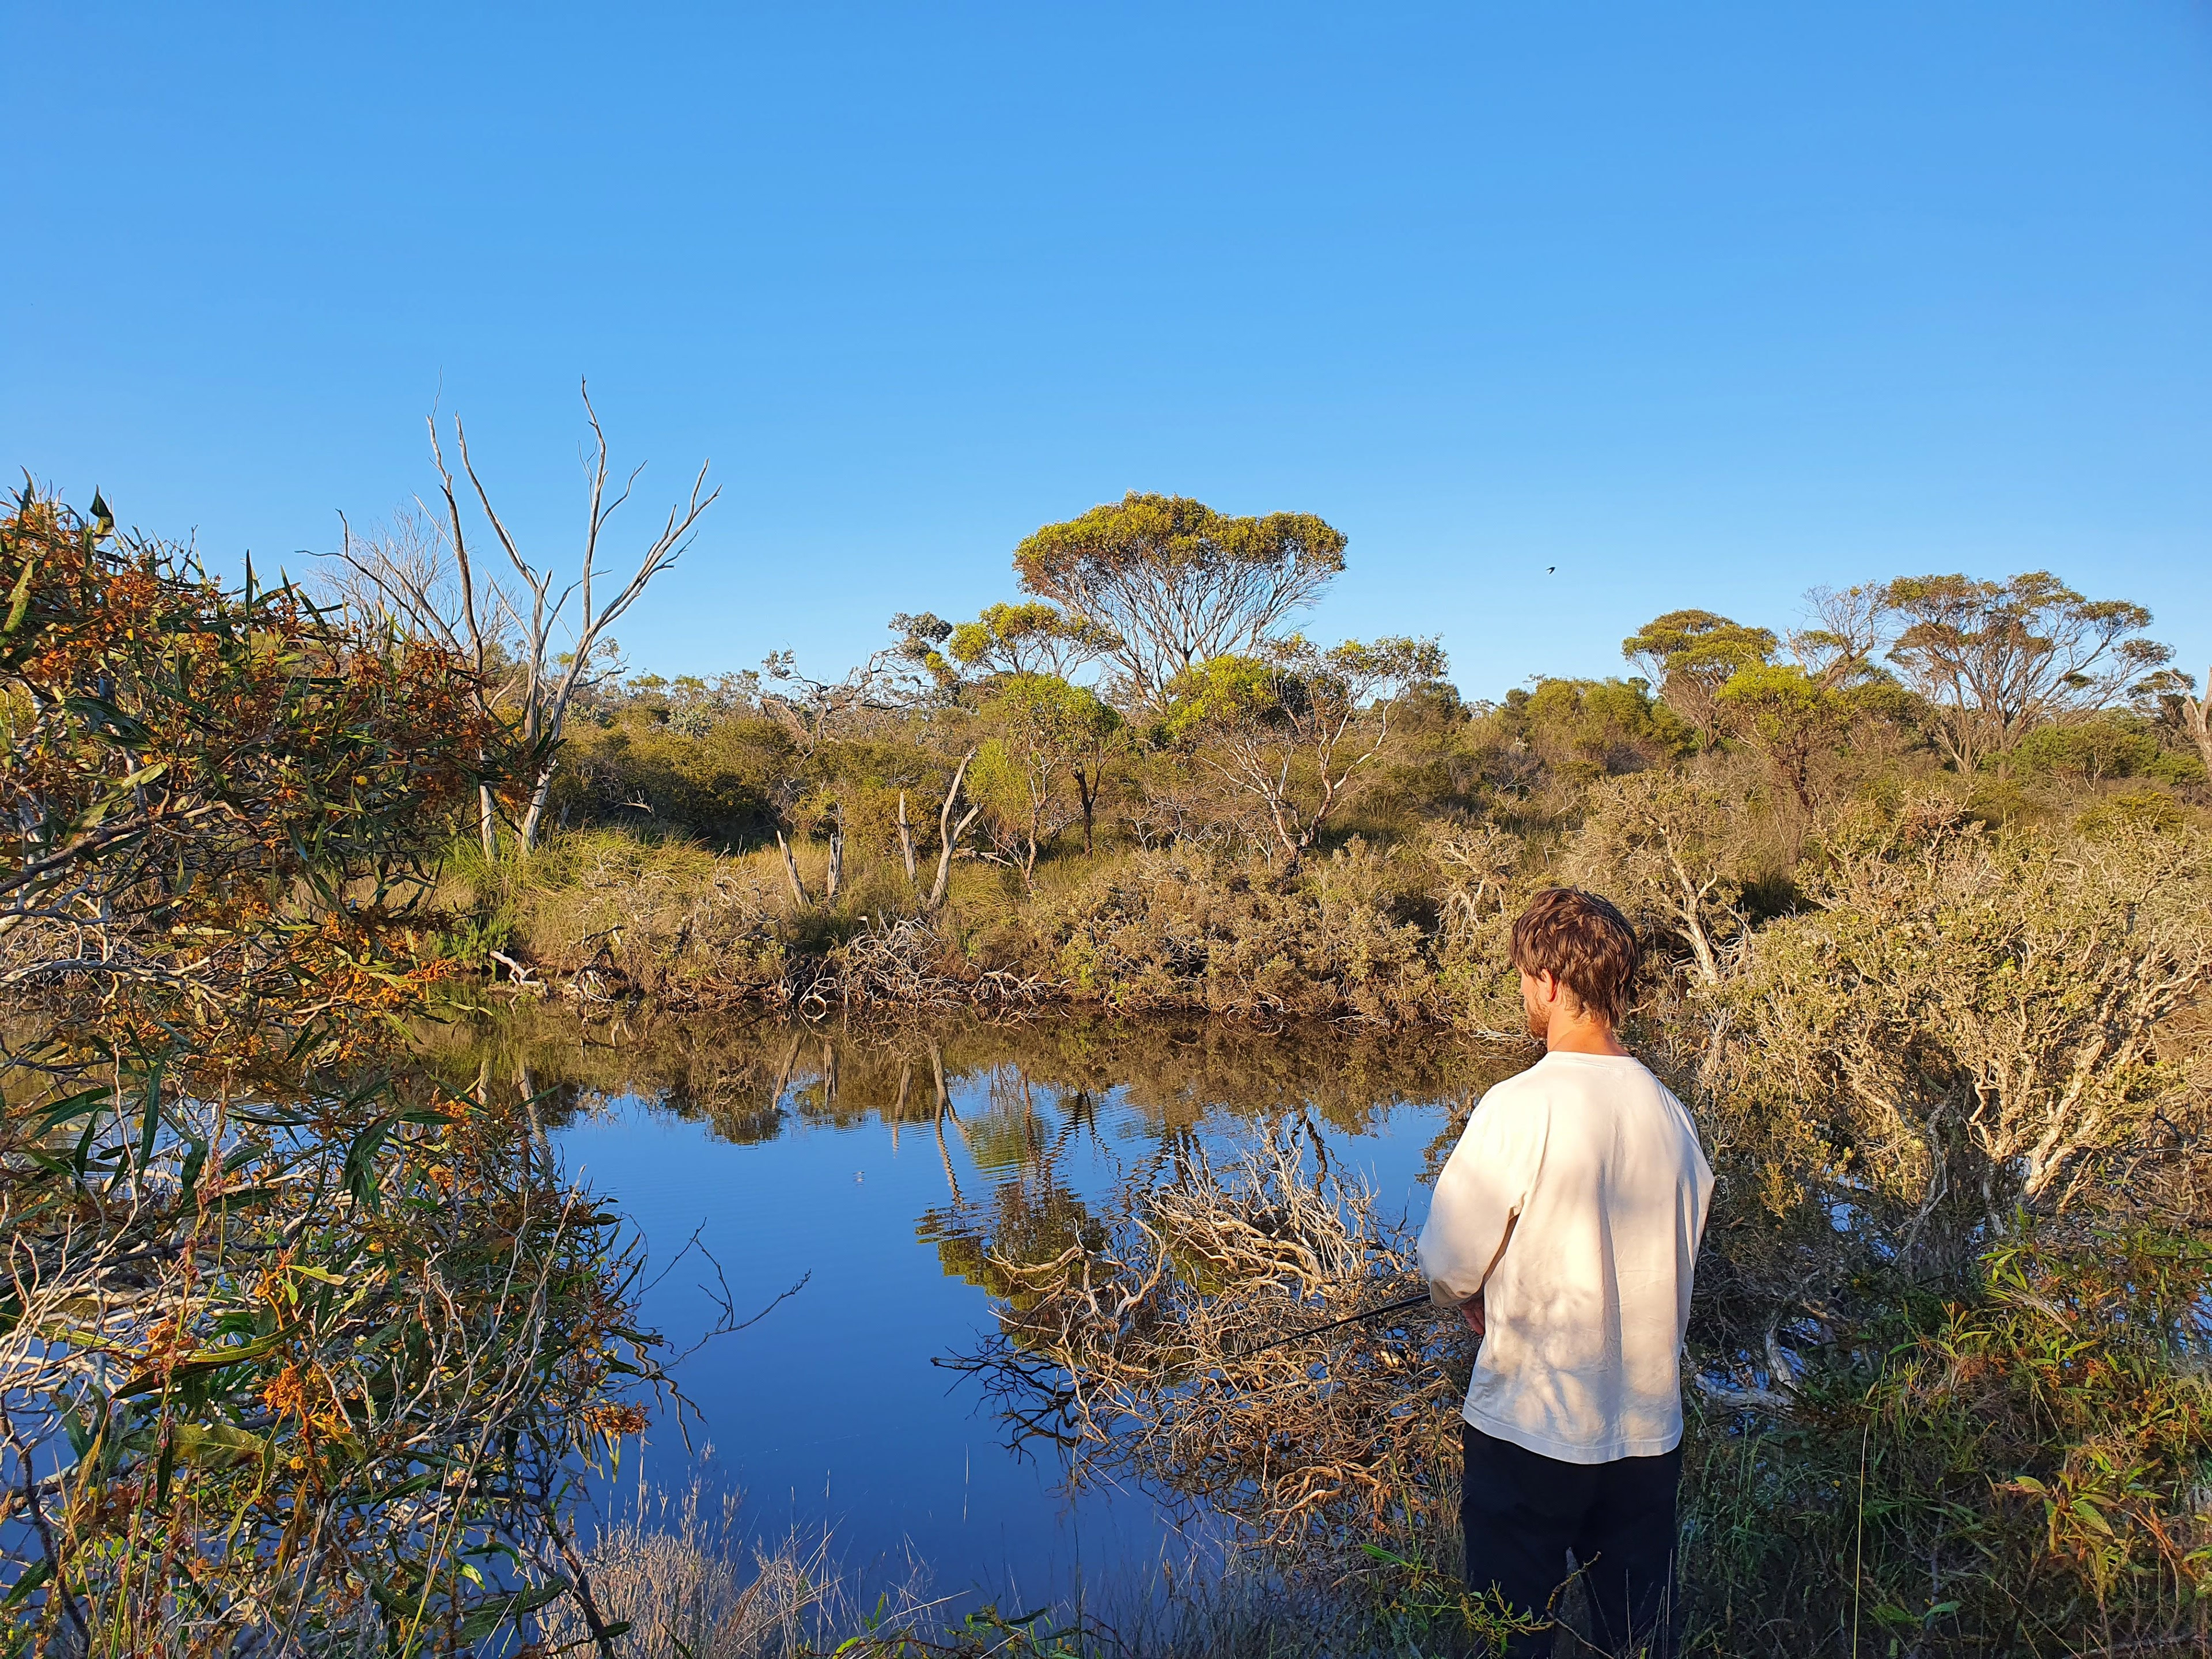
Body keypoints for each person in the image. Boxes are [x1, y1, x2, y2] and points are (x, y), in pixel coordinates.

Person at [1418, 888, 1714, 1657]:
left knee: (1512, 1638)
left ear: (1549, 982)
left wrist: (1471, 1296)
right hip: (1648, 1437)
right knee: (1637, 1641)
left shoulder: (1520, 1106)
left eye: (1524, 978)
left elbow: (1449, 1263)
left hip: (1529, 1430)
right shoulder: (1673, 1117)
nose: (1523, 993)